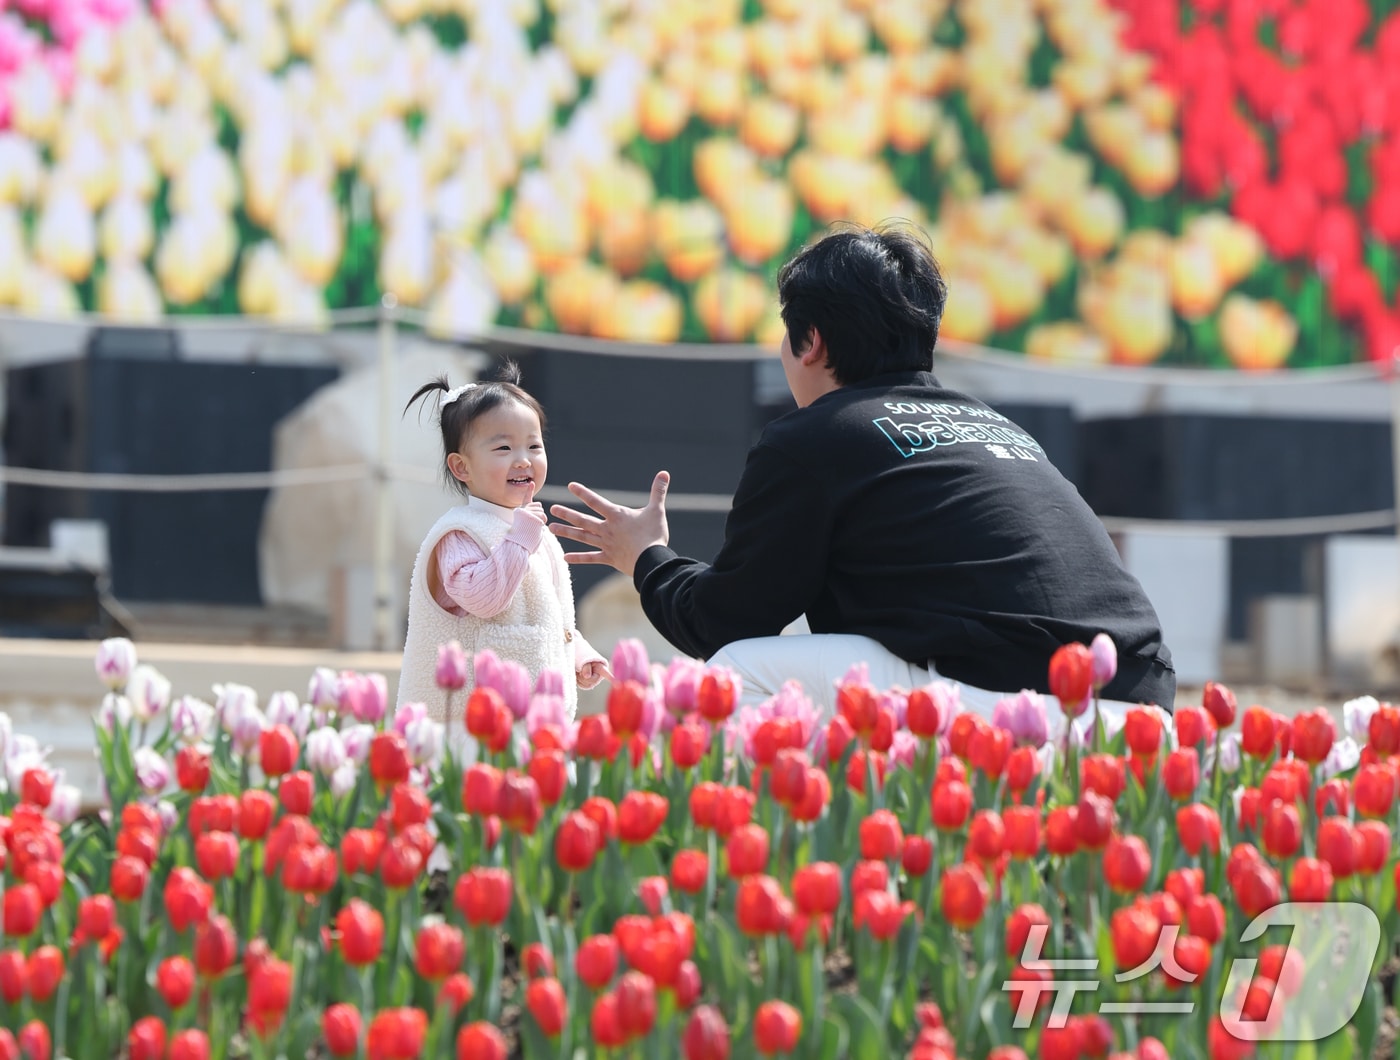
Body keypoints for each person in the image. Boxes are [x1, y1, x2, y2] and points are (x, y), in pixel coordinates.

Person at [547, 222, 1176, 726]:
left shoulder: (818, 433)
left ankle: (793, 878)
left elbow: (725, 622)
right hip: (1148, 719)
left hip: (1021, 712)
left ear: (810, 341)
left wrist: (646, 557)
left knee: (742, 671)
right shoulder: (998, 427)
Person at [397, 363, 610, 727]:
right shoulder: (460, 533)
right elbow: (484, 598)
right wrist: (520, 537)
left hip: (527, 724)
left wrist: (576, 651)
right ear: (461, 467)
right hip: (466, 727)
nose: (523, 458)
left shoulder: (530, 531)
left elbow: (548, 617)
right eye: (503, 447)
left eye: (534, 445)